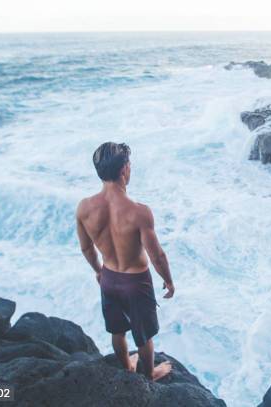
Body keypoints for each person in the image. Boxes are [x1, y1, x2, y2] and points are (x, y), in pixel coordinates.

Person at [76, 142, 174, 381]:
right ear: (124, 170)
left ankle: (128, 367)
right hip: (136, 282)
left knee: (117, 330)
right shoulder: (139, 212)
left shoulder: (84, 207)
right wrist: (168, 281)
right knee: (143, 336)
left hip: (109, 277)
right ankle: (150, 374)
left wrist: (98, 271)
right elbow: (157, 255)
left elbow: (86, 247)